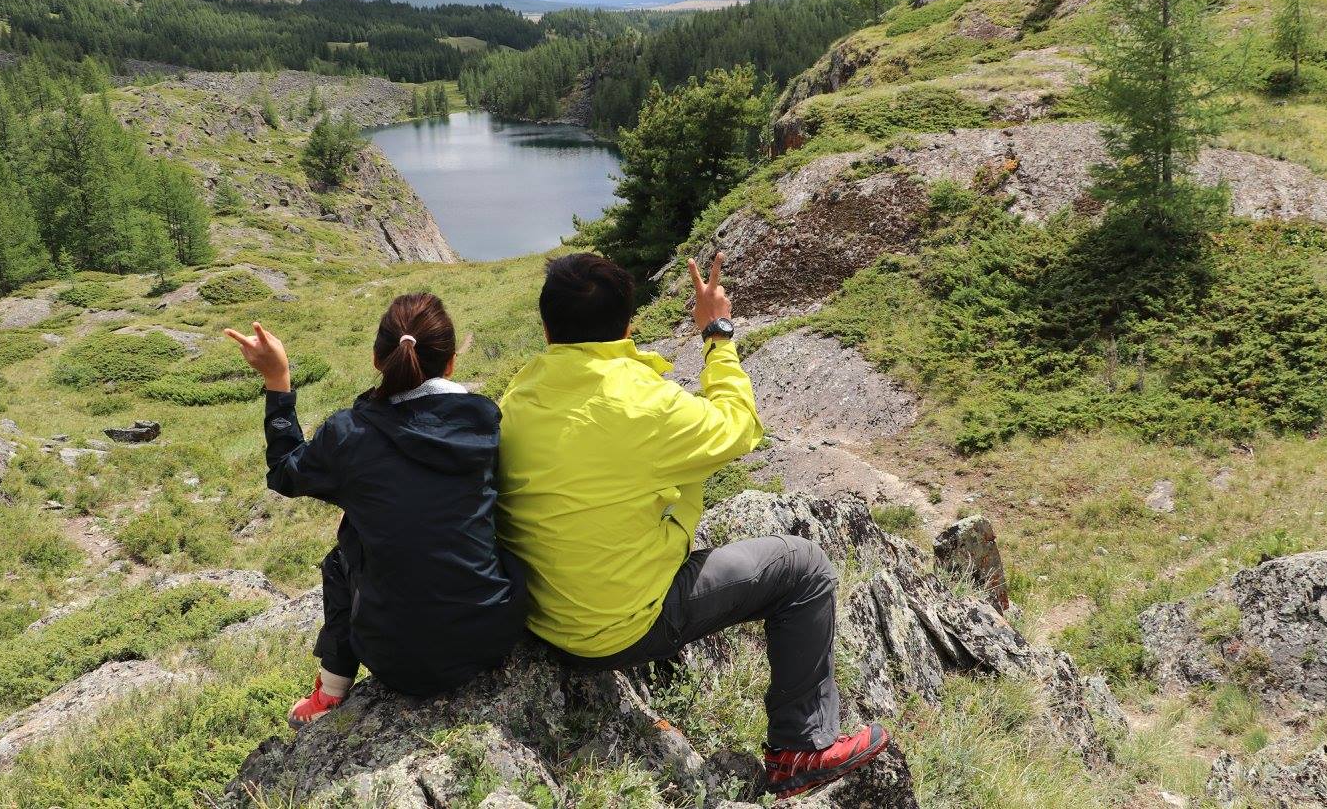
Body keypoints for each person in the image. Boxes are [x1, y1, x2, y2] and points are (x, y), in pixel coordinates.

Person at [496, 252, 889, 800]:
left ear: (545, 328)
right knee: (805, 568)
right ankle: (799, 750)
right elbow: (740, 426)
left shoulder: (518, 394)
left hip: (540, 618)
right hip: (614, 629)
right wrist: (717, 334)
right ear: (628, 325)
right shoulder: (646, 405)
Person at [226, 294, 526, 727]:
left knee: (344, 552)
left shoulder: (350, 434)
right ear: (452, 364)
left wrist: (277, 377)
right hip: (491, 637)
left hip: (397, 662)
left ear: (376, 359)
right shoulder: (484, 422)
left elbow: (285, 474)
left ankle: (331, 692)